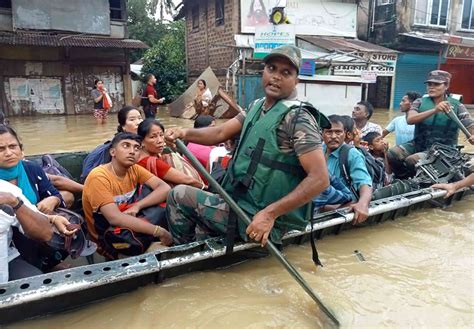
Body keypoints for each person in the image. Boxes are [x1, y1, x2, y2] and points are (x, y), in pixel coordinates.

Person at [165, 44, 330, 248]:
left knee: (178, 195)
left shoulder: (298, 118)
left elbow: (320, 179)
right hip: (239, 203)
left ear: (297, 80)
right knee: (199, 225)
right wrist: (184, 132)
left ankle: (181, 255)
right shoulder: (256, 106)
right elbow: (219, 132)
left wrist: (270, 215)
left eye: (285, 72)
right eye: (271, 69)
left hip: (258, 217)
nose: (276, 76)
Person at [82, 132, 172, 259]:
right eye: (126, 146)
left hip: (129, 225)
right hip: (107, 237)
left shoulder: (134, 169)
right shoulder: (99, 177)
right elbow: (115, 218)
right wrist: (158, 231)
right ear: (113, 152)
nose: (132, 151)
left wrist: (138, 206)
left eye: (136, 148)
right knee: (164, 251)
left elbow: (164, 188)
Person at [387, 70, 474, 179]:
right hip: (418, 144)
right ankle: (403, 178)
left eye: (436, 84)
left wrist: (472, 135)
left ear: (446, 86)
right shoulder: (419, 102)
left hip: (444, 150)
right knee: (392, 153)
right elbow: (410, 119)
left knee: (412, 160)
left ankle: (420, 181)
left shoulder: (457, 105)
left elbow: (470, 125)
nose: (431, 87)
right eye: (429, 84)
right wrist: (435, 110)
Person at [1, 181, 75, 282]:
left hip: (6, 258)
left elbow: (45, 233)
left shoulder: (7, 190)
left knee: (37, 285)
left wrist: (16, 204)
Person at [319, 115, 373, 220]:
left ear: (345, 134)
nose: (334, 136)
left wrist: (362, 204)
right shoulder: (317, 151)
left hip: (341, 204)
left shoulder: (352, 154)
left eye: (338, 132)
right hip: (320, 200)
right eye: (329, 132)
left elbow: (364, 183)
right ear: (322, 134)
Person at [137, 119, 205, 189]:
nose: (160, 141)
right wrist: (205, 187)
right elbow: (187, 180)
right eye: (153, 137)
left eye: (161, 135)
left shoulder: (142, 155)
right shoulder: (150, 162)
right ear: (141, 141)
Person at [81, 105, 143, 182]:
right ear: (123, 126)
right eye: (132, 119)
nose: (138, 122)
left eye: (140, 118)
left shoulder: (144, 142)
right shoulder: (117, 147)